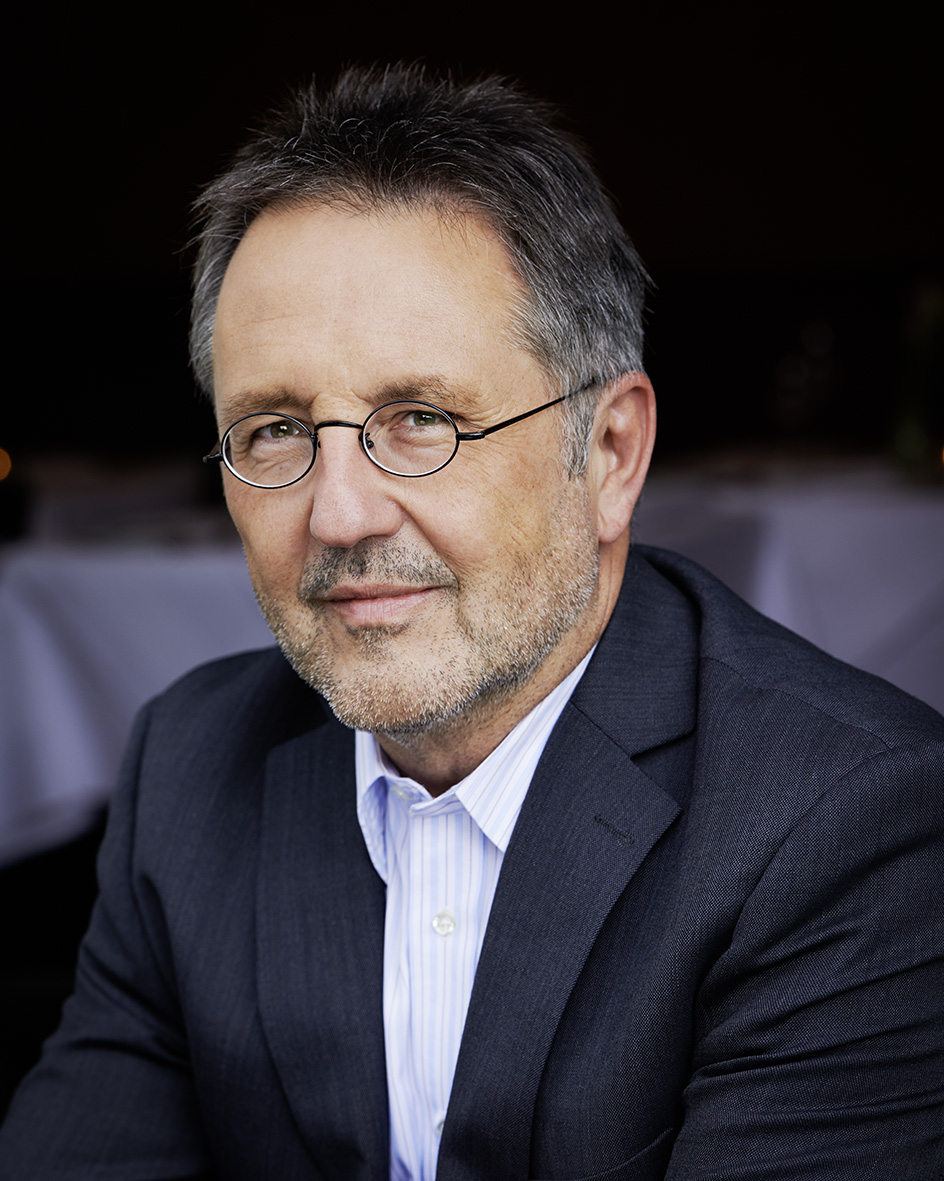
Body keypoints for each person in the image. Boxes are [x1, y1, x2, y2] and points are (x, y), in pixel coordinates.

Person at [1, 64, 942, 1181]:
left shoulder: (845, 821)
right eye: (274, 430)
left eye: (421, 418)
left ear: (609, 453)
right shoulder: (192, 768)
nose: (339, 513)